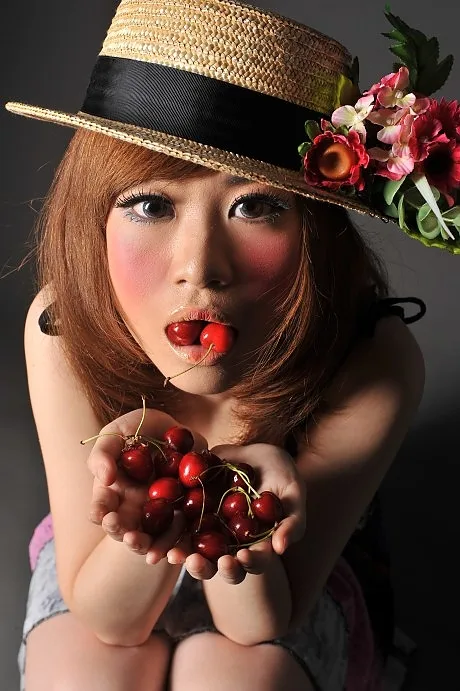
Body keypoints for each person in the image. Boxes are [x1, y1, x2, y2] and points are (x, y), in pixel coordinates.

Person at [6, 0, 459, 689]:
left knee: (232, 675)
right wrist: (152, 493)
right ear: (93, 216)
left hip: (281, 587)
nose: (201, 266)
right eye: (151, 205)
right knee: (83, 667)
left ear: (314, 228)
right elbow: (108, 616)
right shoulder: (61, 328)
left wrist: (239, 511)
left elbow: (263, 623)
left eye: (255, 205)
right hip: (102, 564)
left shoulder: (372, 359)